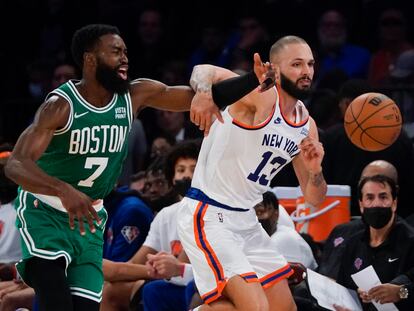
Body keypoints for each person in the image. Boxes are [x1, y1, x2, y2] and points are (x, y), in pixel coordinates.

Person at [4, 24, 271, 311]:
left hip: (89, 217)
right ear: (90, 59)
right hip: (45, 211)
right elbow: (16, 164)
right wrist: (62, 189)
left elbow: (196, 97)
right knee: (56, 297)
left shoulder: (135, 94)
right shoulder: (60, 105)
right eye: (115, 52)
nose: (124, 58)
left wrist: (251, 80)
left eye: (126, 52)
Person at [177, 35, 327, 311]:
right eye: (296, 64)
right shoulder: (259, 95)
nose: (306, 71)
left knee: (284, 308)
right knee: (255, 307)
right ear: (276, 69)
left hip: (246, 220)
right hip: (209, 214)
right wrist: (204, 92)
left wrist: (316, 171)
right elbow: (202, 72)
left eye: (310, 64)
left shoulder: (308, 126)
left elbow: (315, 198)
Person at [334, 175, 414, 311]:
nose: (376, 204)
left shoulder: (410, 241)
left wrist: (400, 293)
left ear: (394, 203)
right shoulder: (353, 243)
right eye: (370, 198)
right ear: (361, 205)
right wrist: (356, 295)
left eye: (383, 197)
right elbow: (343, 286)